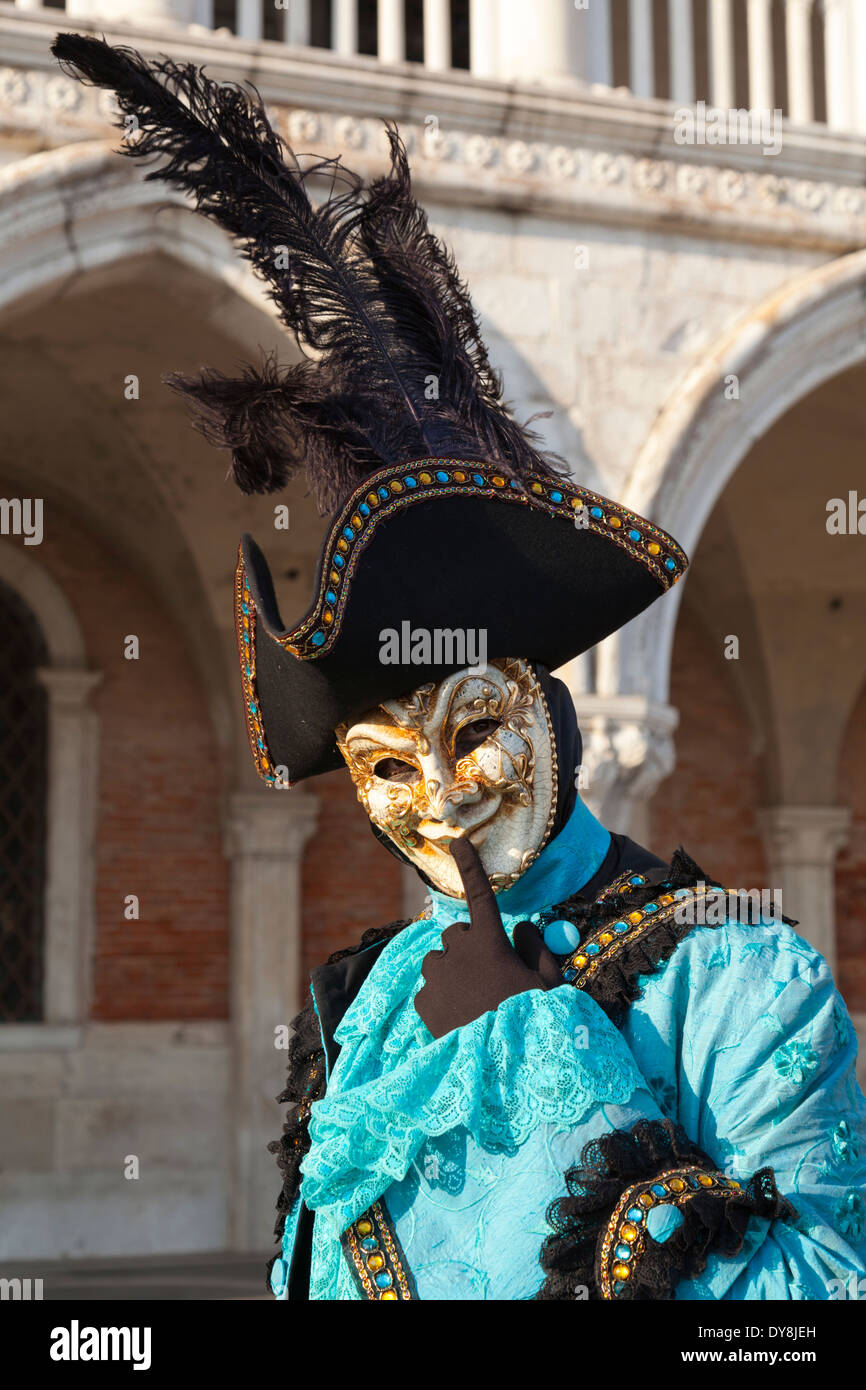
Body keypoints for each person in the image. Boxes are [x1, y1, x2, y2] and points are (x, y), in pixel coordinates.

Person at [53, 32, 866, 1302]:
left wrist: (538, 1052)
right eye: (382, 764)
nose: (434, 796)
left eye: (471, 731)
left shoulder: (737, 974)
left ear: (546, 706)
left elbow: (811, 1300)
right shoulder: (362, 997)